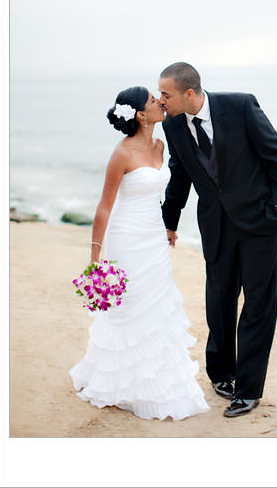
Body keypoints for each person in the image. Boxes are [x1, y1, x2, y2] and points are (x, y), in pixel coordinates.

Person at [158, 62, 277, 417]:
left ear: (189, 93)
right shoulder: (173, 125)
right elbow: (179, 174)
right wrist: (168, 222)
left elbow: (275, 153)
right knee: (218, 301)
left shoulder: (241, 105)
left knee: (258, 306)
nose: (161, 101)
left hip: (259, 222)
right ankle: (222, 373)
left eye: (166, 94)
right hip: (216, 225)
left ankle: (248, 389)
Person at [69, 86, 210, 420]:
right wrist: (95, 259)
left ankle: (155, 379)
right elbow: (104, 208)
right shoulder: (122, 153)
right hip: (126, 239)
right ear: (141, 115)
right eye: (152, 100)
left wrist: (168, 226)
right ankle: (121, 383)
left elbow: (160, 192)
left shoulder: (161, 144)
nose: (160, 102)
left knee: (159, 305)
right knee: (129, 309)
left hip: (154, 238)